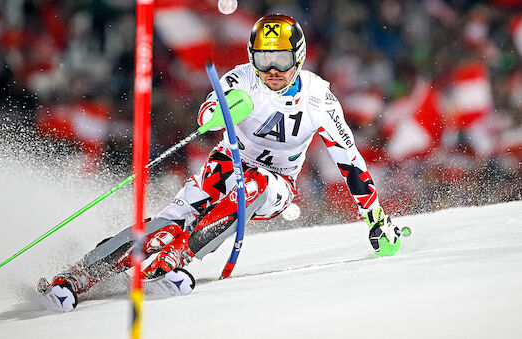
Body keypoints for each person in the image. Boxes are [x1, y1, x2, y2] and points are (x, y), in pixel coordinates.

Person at [39, 14, 402, 305]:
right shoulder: (244, 78)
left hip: (277, 183)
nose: (272, 70)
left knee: (255, 185)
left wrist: (376, 217)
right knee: (167, 224)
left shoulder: (319, 98)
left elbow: (350, 160)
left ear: (299, 57)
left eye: (280, 60)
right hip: (225, 165)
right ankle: (80, 274)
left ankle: (179, 256)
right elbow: (210, 108)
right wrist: (218, 111)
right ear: (251, 57)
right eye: (263, 59)